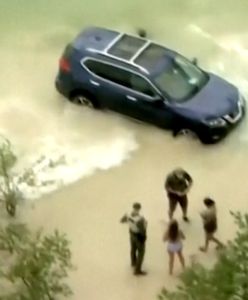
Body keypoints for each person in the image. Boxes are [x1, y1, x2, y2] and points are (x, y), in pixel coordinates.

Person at [120, 203, 147, 275]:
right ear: (139, 209)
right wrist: (144, 237)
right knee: (141, 252)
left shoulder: (128, 214)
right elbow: (142, 230)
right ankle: (137, 270)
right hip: (138, 236)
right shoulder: (140, 218)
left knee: (133, 249)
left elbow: (121, 221)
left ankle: (133, 263)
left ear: (133, 207)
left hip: (131, 234)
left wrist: (129, 222)